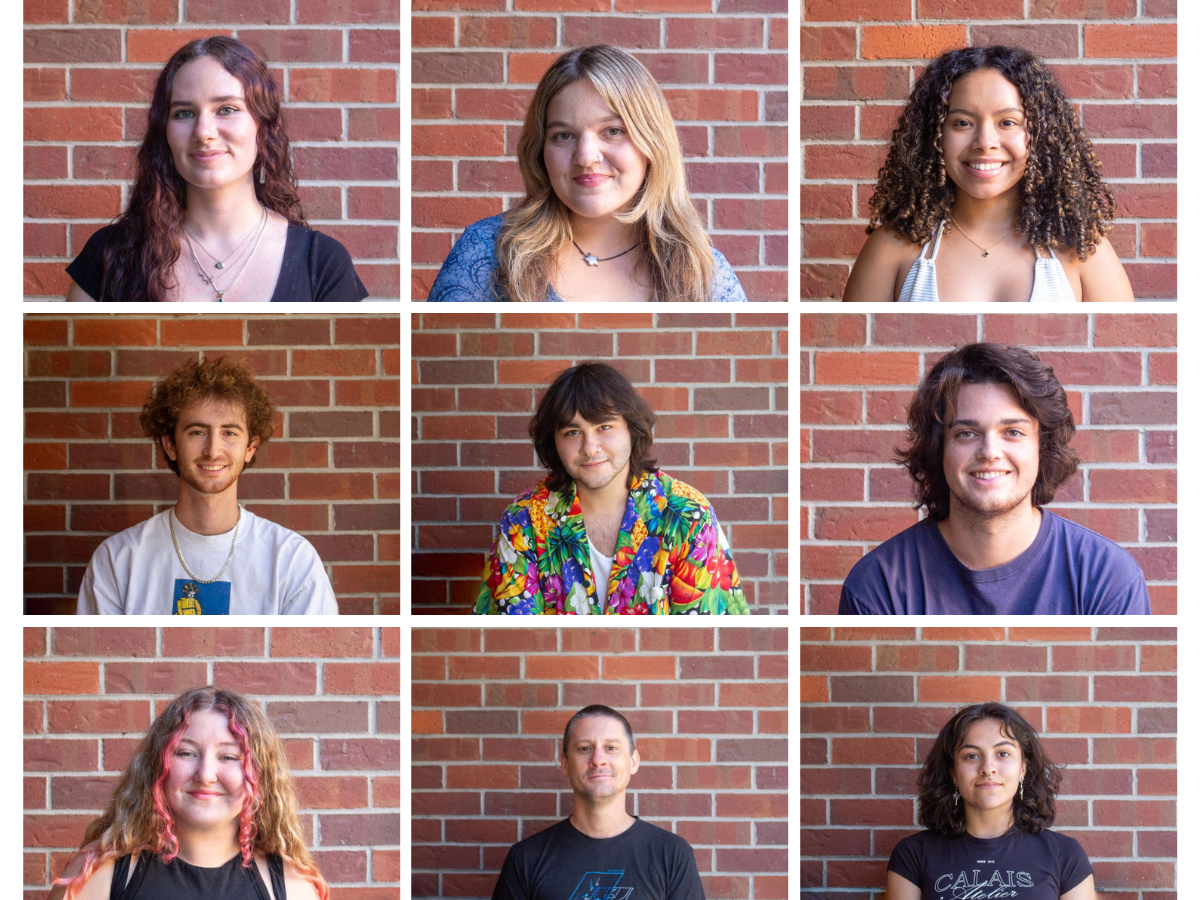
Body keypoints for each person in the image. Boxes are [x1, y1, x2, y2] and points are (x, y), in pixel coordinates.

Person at [839, 343, 1150, 615]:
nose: (989, 452)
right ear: (940, 449)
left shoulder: (1107, 577)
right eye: (966, 433)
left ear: (1042, 446)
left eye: (1012, 432)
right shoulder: (878, 585)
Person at [427, 44, 747, 303]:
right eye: (564, 135)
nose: (585, 157)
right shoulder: (486, 253)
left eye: (612, 131)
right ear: (541, 150)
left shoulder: (704, 273)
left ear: (652, 142)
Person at [65, 36, 367, 302]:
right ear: (164, 133)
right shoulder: (110, 255)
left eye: (226, 109)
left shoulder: (322, 263)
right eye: (184, 113)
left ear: (263, 126)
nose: (204, 132)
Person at [842, 45, 1133, 303]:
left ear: (1042, 135)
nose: (985, 142)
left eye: (1007, 122)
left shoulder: (1083, 250)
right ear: (934, 135)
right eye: (962, 123)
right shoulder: (889, 249)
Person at [475, 362, 748, 614]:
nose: (589, 447)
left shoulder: (687, 515)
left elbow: (708, 636)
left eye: (604, 427)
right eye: (572, 432)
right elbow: (514, 637)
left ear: (632, 429)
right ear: (554, 443)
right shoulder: (523, 521)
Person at [76, 357, 338, 615]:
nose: (213, 451)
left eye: (229, 433)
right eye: (197, 432)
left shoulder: (292, 561)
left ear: (250, 447)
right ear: (170, 445)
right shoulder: (117, 560)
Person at [50, 686, 326, 900]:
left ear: (258, 774)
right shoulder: (99, 876)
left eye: (229, 757)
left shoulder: (292, 887)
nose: (205, 775)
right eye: (186, 753)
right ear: (157, 765)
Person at [492, 705, 705, 900]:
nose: (597, 759)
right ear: (565, 763)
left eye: (611, 748)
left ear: (633, 762)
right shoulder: (526, 858)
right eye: (584, 748)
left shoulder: (672, 854)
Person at [887, 702, 1095, 900]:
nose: (988, 768)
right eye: (971, 756)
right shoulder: (913, 854)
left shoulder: (1065, 855)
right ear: (953, 773)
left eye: (1003, 753)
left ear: (1023, 768)